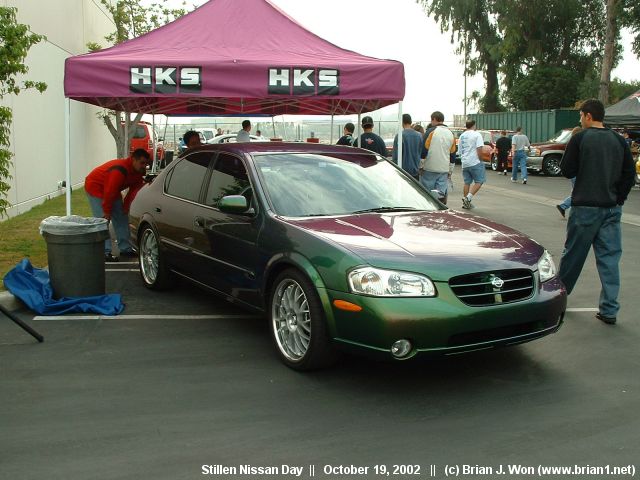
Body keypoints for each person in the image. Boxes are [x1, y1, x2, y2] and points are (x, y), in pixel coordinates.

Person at [558, 99, 635, 325]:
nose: (580, 119)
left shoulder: (580, 138)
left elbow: (567, 169)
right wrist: (618, 199)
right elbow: (629, 174)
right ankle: (609, 309)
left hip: (585, 208)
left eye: (581, 115)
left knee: (573, 257)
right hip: (611, 208)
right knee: (609, 259)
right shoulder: (619, 140)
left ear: (588, 116)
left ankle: (558, 300)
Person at [85, 149, 151, 262]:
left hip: (112, 189)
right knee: (102, 221)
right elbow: (109, 191)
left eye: (146, 163)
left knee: (122, 217)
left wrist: (125, 207)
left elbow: (133, 191)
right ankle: (104, 252)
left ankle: (126, 249)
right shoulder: (119, 170)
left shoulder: (138, 172)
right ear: (133, 160)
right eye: (142, 163)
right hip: (95, 187)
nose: (144, 166)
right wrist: (106, 211)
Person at [419, 111, 455, 203]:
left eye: (431, 120)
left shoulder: (430, 132)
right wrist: (450, 170)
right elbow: (452, 154)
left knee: (427, 195)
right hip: (444, 170)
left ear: (434, 119)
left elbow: (424, 150)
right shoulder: (450, 134)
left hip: (429, 168)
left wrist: (421, 166)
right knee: (440, 196)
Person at [457, 120, 486, 209]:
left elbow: (460, 150)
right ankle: (468, 198)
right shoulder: (477, 134)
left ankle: (465, 203)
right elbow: (479, 149)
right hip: (474, 161)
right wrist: (481, 160)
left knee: (467, 182)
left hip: (465, 162)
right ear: (474, 125)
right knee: (479, 181)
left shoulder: (462, 136)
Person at [556, 127, 582, 218]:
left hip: (573, 172)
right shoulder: (579, 145)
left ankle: (564, 207)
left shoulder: (571, 145)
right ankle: (564, 207)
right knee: (579, 193)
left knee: (576, 192)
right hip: (577, 172)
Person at [392, 113, 423, 180]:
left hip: (403, 172)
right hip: (415, 170)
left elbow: (395, 156)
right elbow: (420, 152)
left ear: (402, 122)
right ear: (410, 121)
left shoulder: (399, 136)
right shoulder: (419, 135)